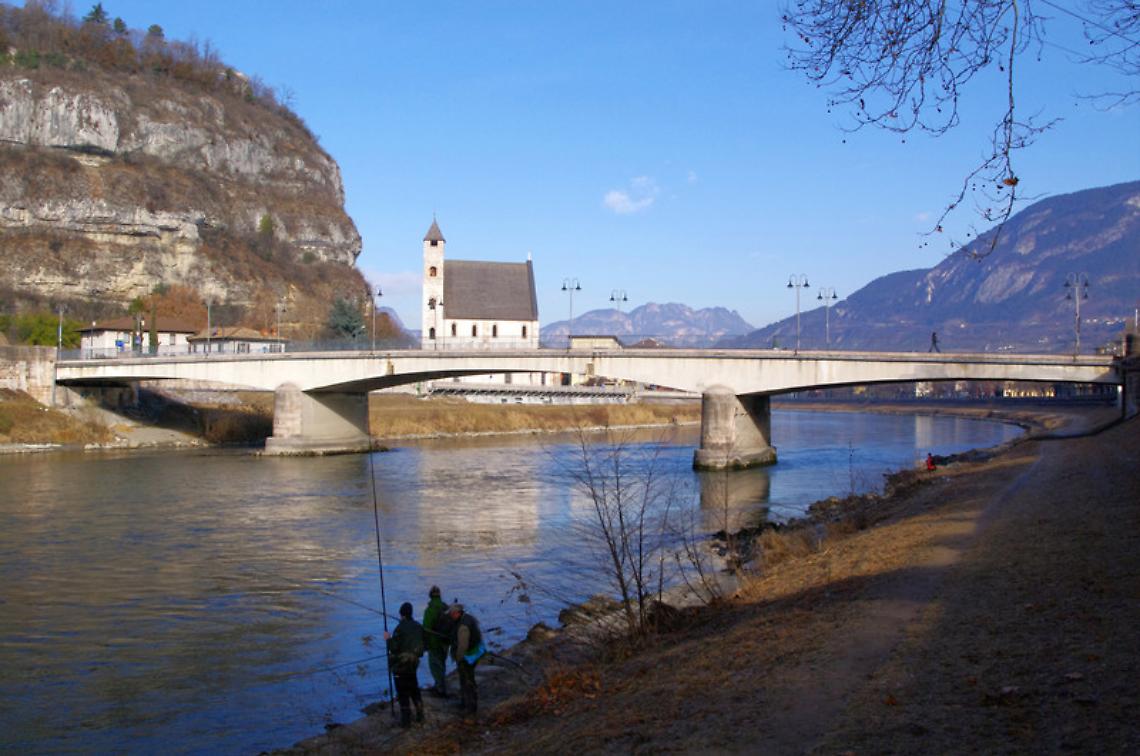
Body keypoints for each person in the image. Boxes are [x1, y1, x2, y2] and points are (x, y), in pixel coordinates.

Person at [384, 601, 425, 728]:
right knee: (414, 689)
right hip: (413, 664)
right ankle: (420, 715)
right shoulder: (418, 626)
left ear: (401, 614)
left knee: (403, 693)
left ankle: (406, 721)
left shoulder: (399, 628)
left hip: (401, 666)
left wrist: (388, 639)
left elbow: (394, 648)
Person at [448, 603, 484, 716]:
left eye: (452, 613)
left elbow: (463, 645)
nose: (451, 616)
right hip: (473, 654)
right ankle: (466, 704)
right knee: (467, 680)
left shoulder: (463, 626)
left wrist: (458, 658)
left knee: (467, 681)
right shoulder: (468, 619)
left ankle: (470, 707)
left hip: (467, 657)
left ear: (457, 613)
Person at [422, 585, 449, 697]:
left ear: (430, 596)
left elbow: (426, 628)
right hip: (446, 642)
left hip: (434, 643)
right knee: (442, 664)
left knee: (434, 666)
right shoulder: (446, 607)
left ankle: (440, 689)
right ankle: (440, 685)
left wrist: (424, 644)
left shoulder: (430, 610)